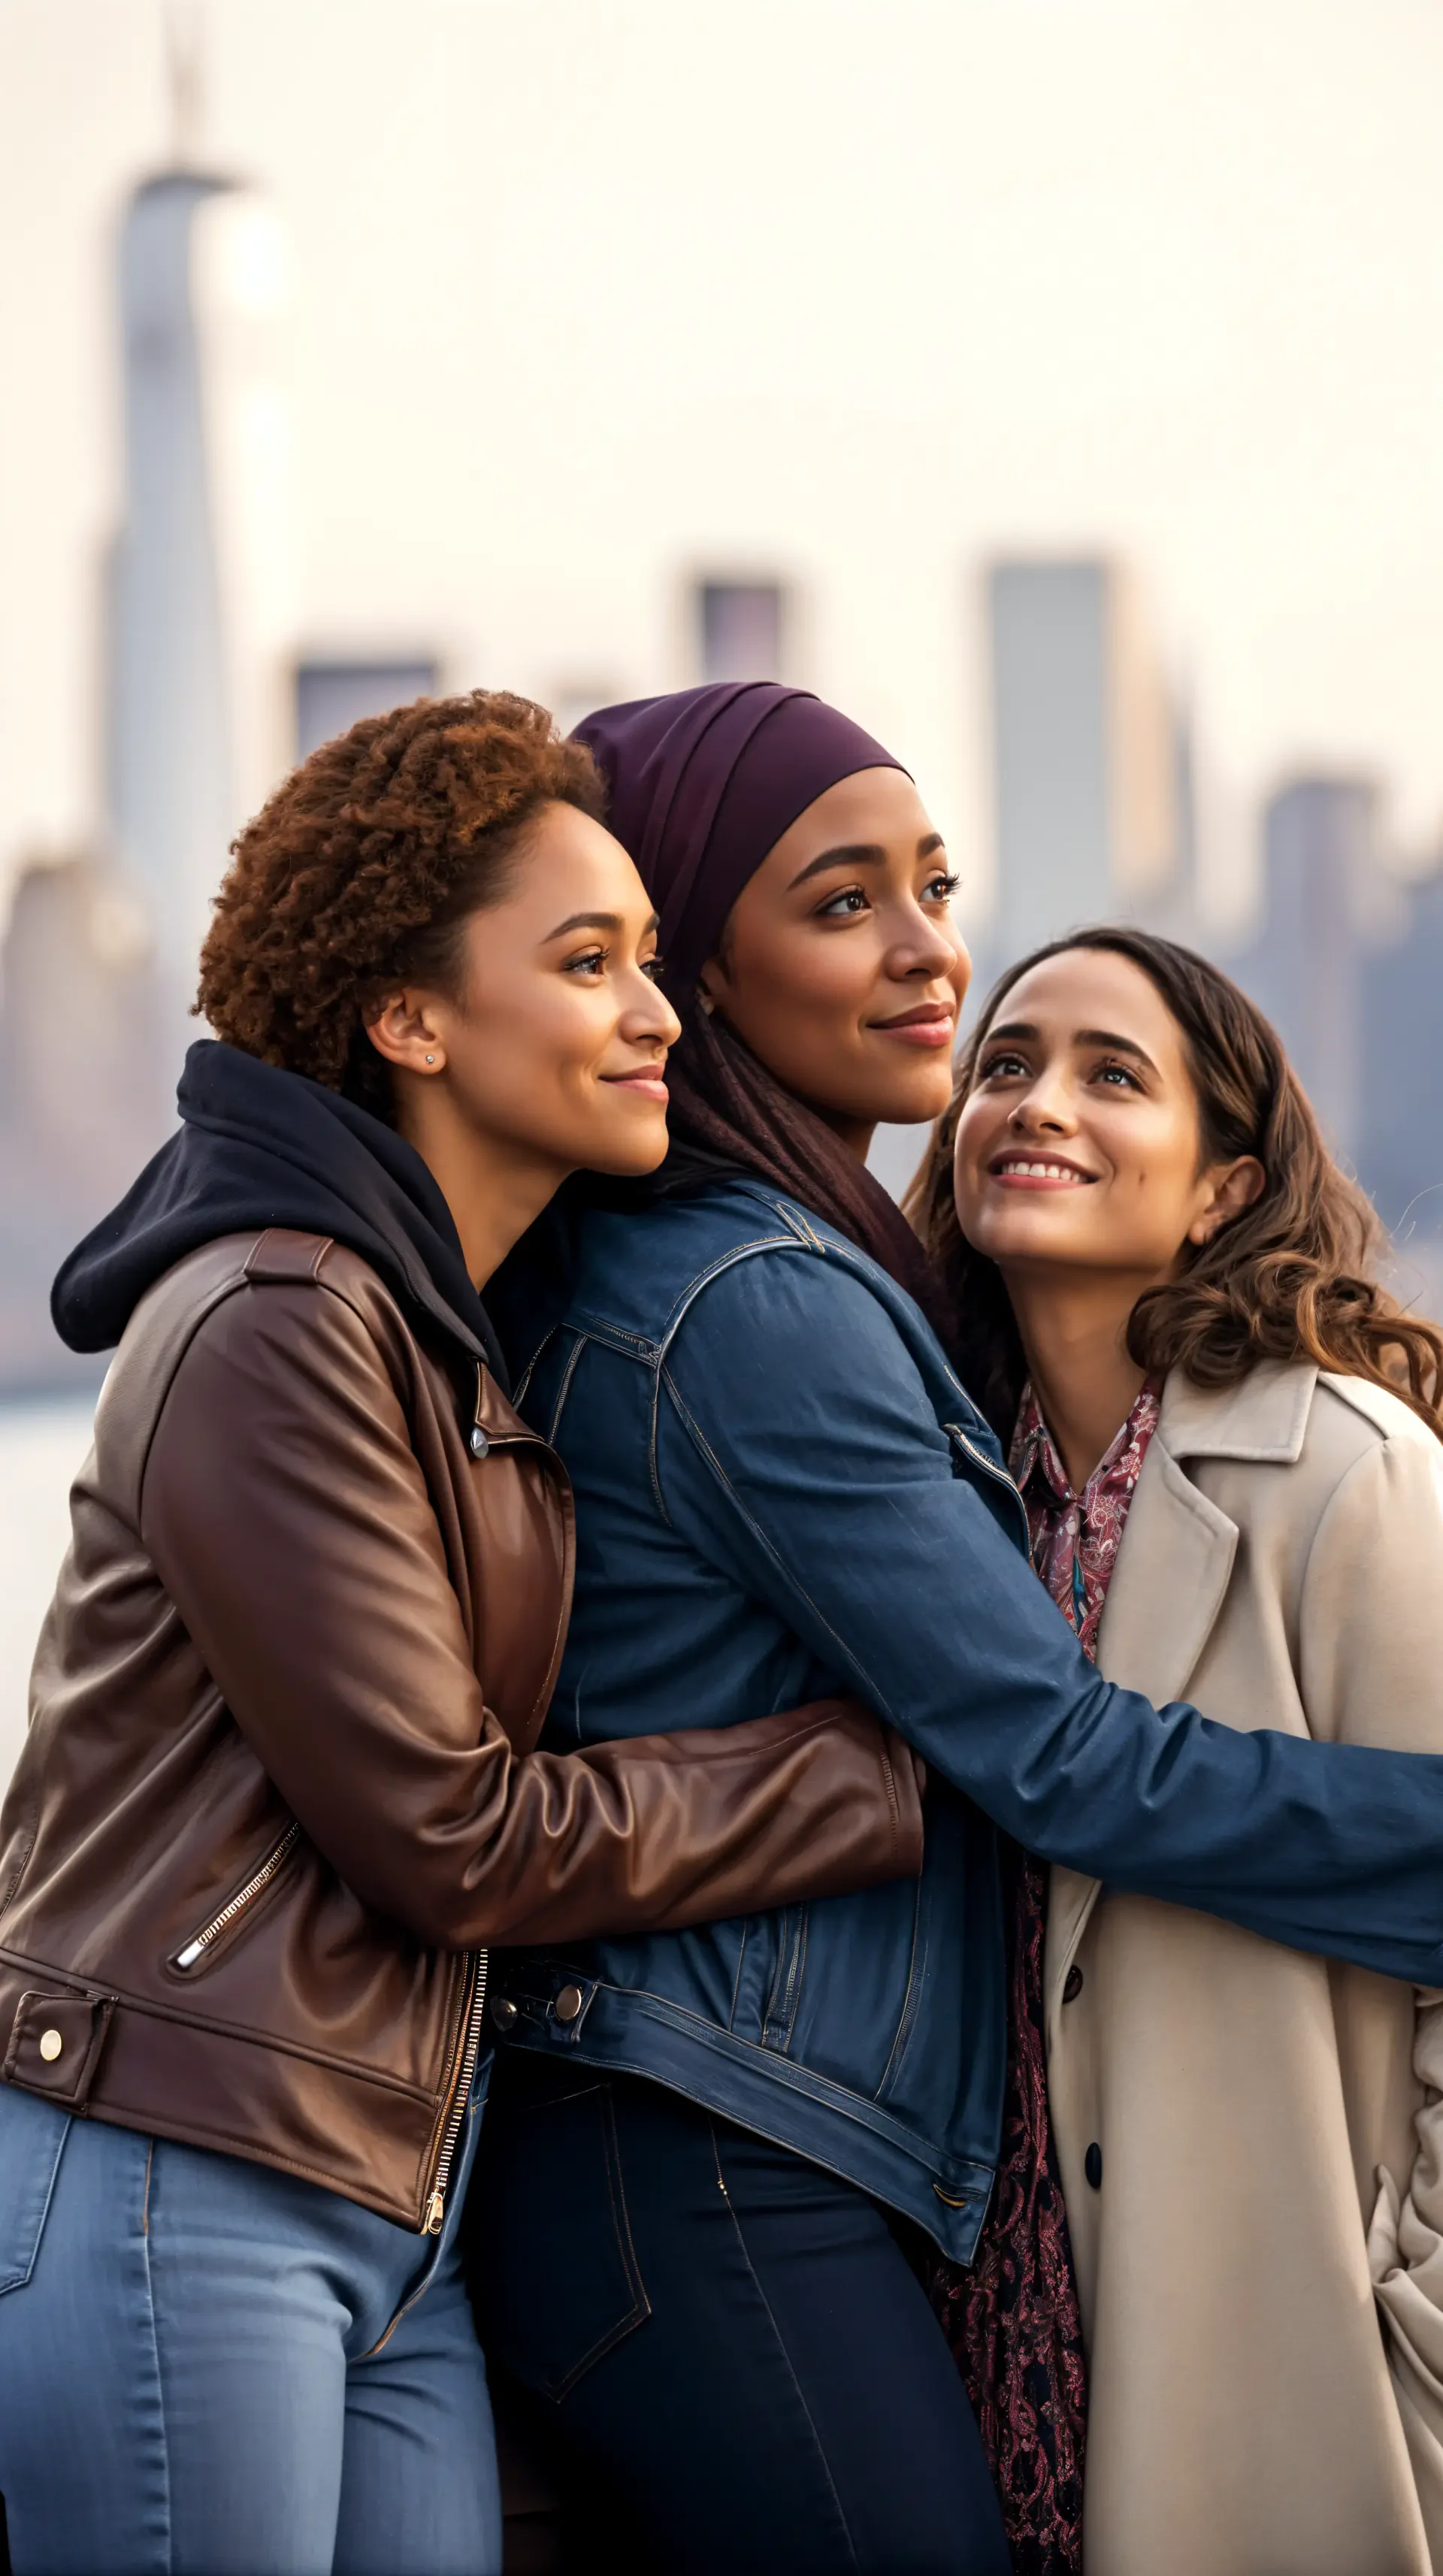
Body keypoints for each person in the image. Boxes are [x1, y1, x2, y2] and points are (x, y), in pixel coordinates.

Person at [471, 679, 1443, 2576]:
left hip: (791, 2178)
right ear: (695, 970)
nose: (930, 953)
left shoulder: (1322, 1467)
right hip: (724, 2162)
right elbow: (1062, 1761)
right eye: (843, 905)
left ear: (1226, 1186)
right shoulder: (763, 1299)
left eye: (935, 884)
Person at [0, 691, 925, 2576]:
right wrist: (869, 1768)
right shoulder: (284, 1320)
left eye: (651, 960)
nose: (656, 1012)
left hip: (395, 2197)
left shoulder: (443, 1330)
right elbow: (452, 1829)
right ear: (410, 1018)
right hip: (186, 2168)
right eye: (587, 964)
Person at [910, 923, 1443, 2576]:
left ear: (1219, 1184)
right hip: (996, 2344)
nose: (1034, 1101)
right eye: (1004, 1064)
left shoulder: (1348, 1473)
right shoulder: (935, 1502)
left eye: (1108, 1074)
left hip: (1286, 2357)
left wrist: (1417, 2327)